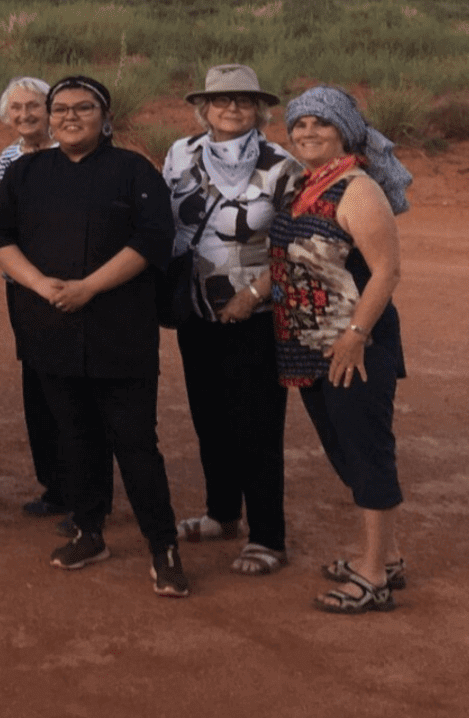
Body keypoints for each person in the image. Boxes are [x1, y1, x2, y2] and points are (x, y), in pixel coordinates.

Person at [0, 76, 189, 598]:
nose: (70, 117)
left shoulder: (133, 171)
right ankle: (88, 530)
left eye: (83, 108)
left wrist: (88, 288)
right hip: (51, 326)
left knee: (136, 444)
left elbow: (152, 239)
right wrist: (39, 285)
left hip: (120, 332)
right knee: (74, 437)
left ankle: (163, 547)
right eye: (61, 109)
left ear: (105, 117)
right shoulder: (29, 171)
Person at [269, 87, 412, 613]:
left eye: (320, 124)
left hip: (355, 343)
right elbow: (296, 258)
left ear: (344, 132)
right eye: (299, 125)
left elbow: (387, 272)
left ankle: (372, 577)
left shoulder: (357, 190)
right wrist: (251, 295)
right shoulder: (303, 185)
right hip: (311, 345)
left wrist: (354, 336)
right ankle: (388, 557)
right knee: (344, 449)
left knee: (366, 450)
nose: (308, 133)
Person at [162, 64, 302, 576]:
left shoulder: (281, 164)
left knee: (258, 425)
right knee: (210, 417)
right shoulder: (180, 154)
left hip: (255, 313)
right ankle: (223, 514)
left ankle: (268, 535)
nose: (232, 109)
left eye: (243, 100)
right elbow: (168, 223)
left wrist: (252, 294)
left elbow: (294, 243)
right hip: (196, 310)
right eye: (221, 101)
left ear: (259, 108)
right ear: (205, 108)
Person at [0, 75, 71, 523]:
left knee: (70, 387)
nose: (24, 116)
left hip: (68, 285)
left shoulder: (71, 153)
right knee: (38, 385)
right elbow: (7, 219)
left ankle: (84, 487)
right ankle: (55, 486)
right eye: (16, 108)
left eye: (33, 107)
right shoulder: (8, 157)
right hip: (23, 285)